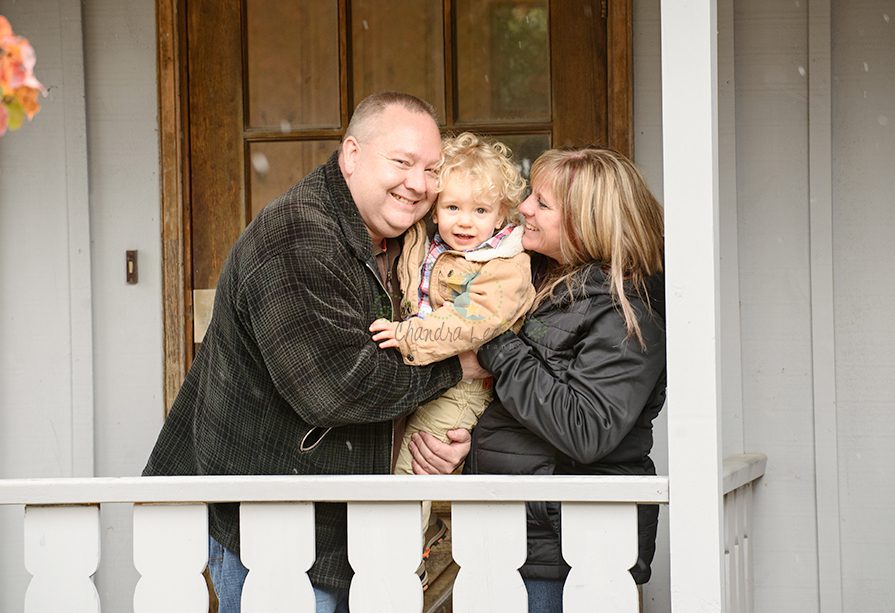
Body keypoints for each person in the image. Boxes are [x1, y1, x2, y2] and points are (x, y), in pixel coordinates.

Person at [142, 92, 474, 613]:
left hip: (353, 536)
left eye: (432, 169)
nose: (419, 184)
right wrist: (456, 368)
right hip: (278, 537)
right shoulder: (299, 236)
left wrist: (439, 440)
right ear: (351, 154)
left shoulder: (414, 247)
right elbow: (337, 388)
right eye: (402, 162)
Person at [416, 146, 667, 612]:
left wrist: (491, 338)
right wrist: (471, 444)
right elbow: (528, 409)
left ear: (586, 222)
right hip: (514, 541)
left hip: (568, 553)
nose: (524, 208)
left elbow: (585, 429)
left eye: (542, 203)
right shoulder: (539, 282)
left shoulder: (626, 314)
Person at [369, 131, 535, 576]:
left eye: (480, 211)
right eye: (452, 207)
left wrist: (408, 336)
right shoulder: (430, 245)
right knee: (384, 460)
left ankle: (399, 568)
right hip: (424, 375)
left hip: (461, 387)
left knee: (412, 473)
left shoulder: (505, 266)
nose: (464, 221)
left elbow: (469, 321)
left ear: (502, 215)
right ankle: (415, 542)